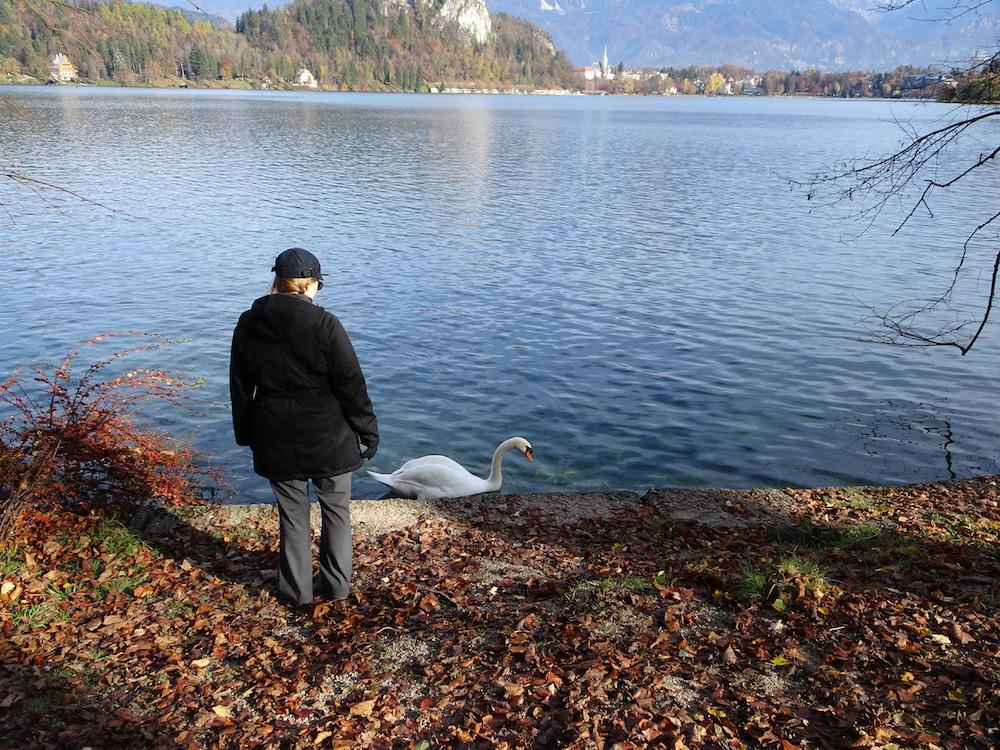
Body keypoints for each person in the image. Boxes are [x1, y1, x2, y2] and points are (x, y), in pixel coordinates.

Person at [229, 247, 378, 608]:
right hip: (328, 431)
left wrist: (246, 432)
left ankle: (297, 592)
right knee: (336, 509)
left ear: (277, 282)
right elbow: (351, 384)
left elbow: (239, 384)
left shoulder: (249, 322)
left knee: (293, 514)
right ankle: (337, 586)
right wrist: (367, 431)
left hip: (273, 429)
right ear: (311, 284)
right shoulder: (326, 324)